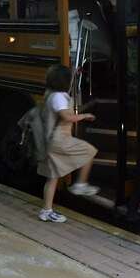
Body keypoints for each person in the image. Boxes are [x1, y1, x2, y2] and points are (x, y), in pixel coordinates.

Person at [37, 64, 100, 223]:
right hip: (59, 139)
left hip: (50, 140)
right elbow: (67, 117)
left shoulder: (50, 94)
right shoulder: (58, 97)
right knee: (90, 151)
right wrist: (85, 115)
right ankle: (80, 184)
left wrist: (85, 108)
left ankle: (46, 211)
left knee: (52, 178)